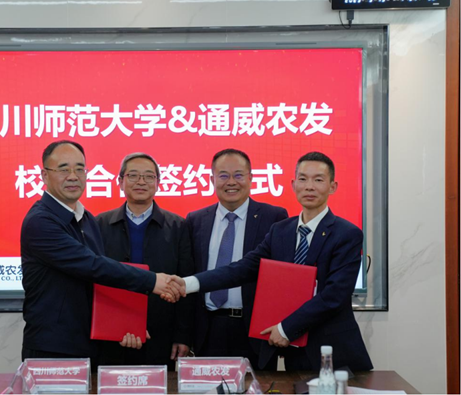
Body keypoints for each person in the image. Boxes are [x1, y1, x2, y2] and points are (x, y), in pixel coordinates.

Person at [170, 151, 373, 371]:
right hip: (293, 352)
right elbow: (243, 268)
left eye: (318, 180)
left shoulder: (347, 234)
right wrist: (187, 283)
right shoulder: (281, 230)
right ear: (293, 185)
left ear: (332, 187)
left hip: (329, 349)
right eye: (303, 179)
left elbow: (334, 296)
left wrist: (286, 328)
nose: (309, 187)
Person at [21, 140, 181, 362]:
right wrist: (153, 280)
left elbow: (102, 283)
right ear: (44, 175)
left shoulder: (86, 219)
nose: (73, 176)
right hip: (53, 346)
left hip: (87, 344)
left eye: (79, 169)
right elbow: (92, 266)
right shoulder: (40, 222)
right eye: (64, 169)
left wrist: (125, 323)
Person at [185, 149, 288, 365]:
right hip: (207, 329)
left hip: (255, 330)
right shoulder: (195, 220)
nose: (231, 182)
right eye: (223, 175)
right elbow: (189, 272)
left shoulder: (274, 217)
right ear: (212, 179)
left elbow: (281, 277)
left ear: (251, 178)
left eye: (239, 175)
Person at [96, 152, 195, 367]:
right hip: (111, 331)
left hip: (162, 333)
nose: (141, 182)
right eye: (133, 175)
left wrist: (183, 335)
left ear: (158, 183)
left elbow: (186, 282)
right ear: (120, 181)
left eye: (149, 176)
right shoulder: (100, 225)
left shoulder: (178, 226)